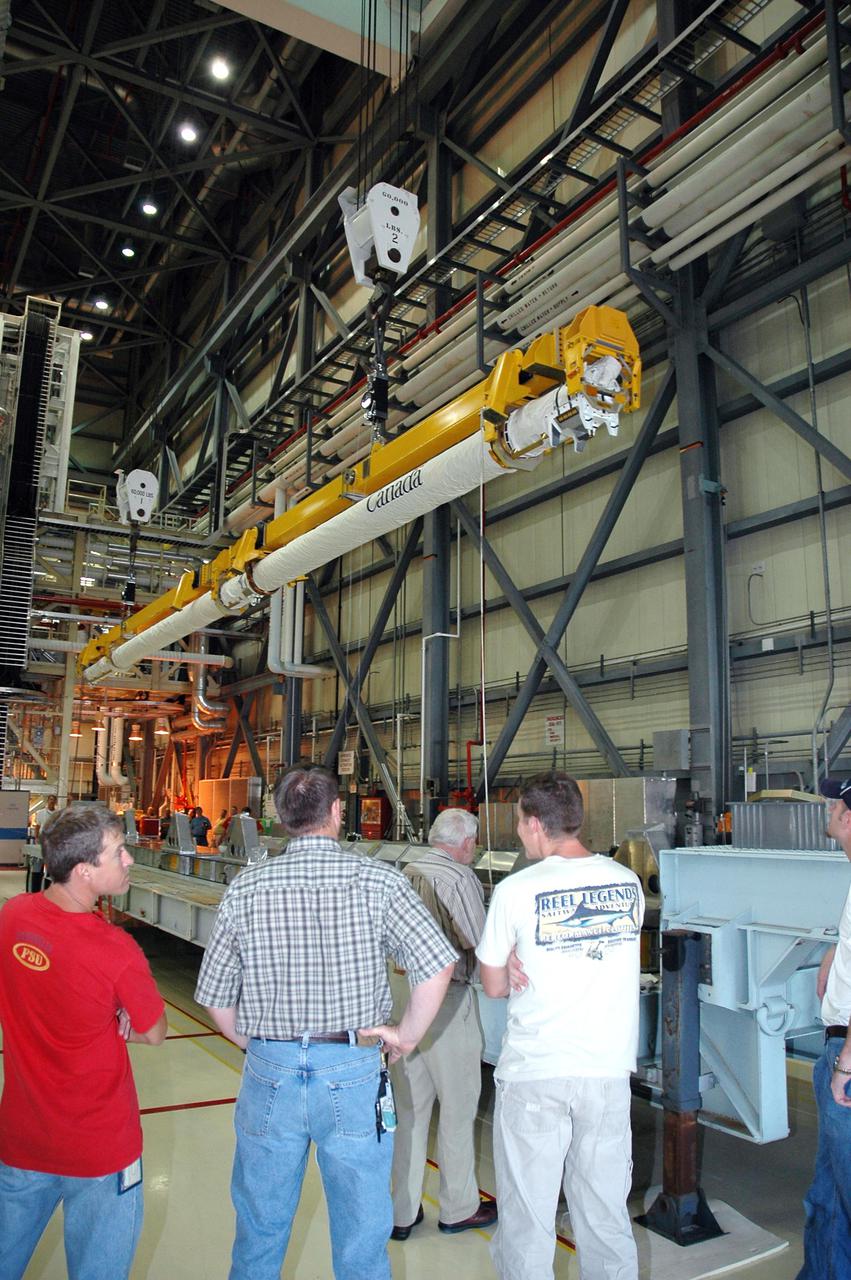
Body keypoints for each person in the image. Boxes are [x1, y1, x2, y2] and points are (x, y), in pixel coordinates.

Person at [195, 765, 457, 1280]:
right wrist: (405, 1036)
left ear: (281, 819)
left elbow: (215, 996)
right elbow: (437, 964)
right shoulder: (379, 880)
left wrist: (256, 1043)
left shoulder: (246, 887)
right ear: (338, 812)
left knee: (259, 1230)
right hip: (353, 1068)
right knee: (362, 1236)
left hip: (270, 1068)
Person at [477, 772, 644, 1280]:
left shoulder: (516, 889)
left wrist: (511, 965)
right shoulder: (625, 881)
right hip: (607, 1072)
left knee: (528, 1220)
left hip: (536, 1071)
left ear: (532, 824)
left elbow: (493, 984)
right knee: (605, 1216)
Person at [0, 802, 167, 1280]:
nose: (129, 860)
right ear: (84, 871)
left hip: (22, 1138)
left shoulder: (12, 916)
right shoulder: (114, 949)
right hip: (100, 1150)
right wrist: (115, 1015)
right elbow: (154, 1031)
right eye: (118, 853)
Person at [390, 807, 497, 1239]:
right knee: (457, 1107)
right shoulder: (457, 878)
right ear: (465, 841)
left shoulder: (403, 869)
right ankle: (458, 1207)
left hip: (402, 998)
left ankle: (401, 1211)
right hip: (447, 1003)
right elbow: (481, 941)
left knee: (410, 1111)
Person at [797, 776, 851, 1280]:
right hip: (838, 1053)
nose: (830, 810)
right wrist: (838, 946)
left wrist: (845, 1066)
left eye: (836, 802)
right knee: (828, 1196)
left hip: (848, 1067)